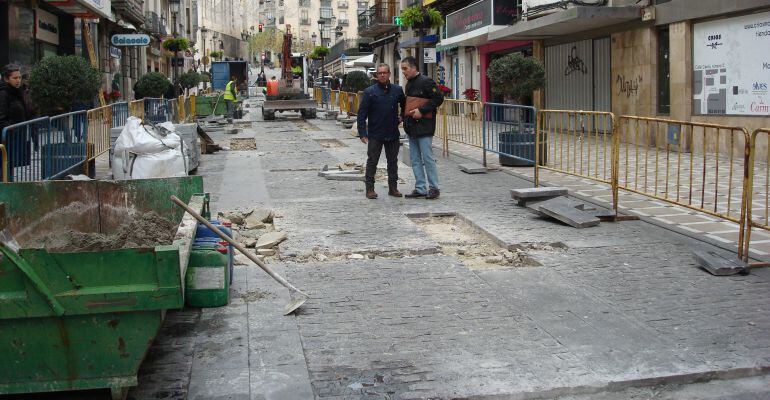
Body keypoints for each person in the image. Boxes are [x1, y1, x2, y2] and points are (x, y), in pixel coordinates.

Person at [357, 63, 406, 199]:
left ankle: (393, 188)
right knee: (372, 161)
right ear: (376, 75)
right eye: (380, 73)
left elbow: (405, 105)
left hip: (392, 132)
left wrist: (402, 116)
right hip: (375, 133)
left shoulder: (397, 90)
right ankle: (370, 189)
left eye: (385, 72)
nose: (383, 75)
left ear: (390, 74)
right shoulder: (369, 92)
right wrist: (362, 133)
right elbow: (362, 114)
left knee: (393, 161)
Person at [400, 56, 444, 199]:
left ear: (413, 67)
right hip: (411, 127)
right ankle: (420, 187)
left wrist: (422, 111)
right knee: (415, 159)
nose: (403, 72)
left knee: (428, 158)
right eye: (402, 69)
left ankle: (434, 188)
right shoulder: (409, 84)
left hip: (424, 127)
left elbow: (438, 98)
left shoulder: (426, 81)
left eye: (405, 68)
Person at [0, 64, 28, 130]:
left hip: (20, 134)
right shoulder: (3, 94)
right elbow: (2, 119)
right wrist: (13, 131)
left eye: (19, 77)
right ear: (6, 79)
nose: (18, 80)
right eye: (15, 78)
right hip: (11, 137)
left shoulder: (18, 91)